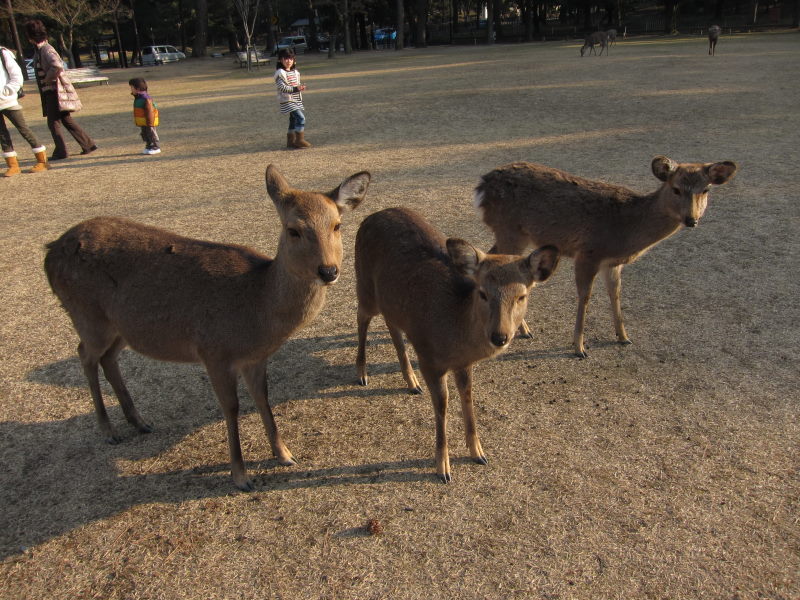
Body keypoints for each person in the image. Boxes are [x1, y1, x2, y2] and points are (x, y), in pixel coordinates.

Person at [24, 19, 97, 160]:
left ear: (30, 36)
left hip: (54, 91)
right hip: (53, 91)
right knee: (66, 119)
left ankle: (61, 151)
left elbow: (57, 66)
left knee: (53, 123)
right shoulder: (41, 49)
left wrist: (47, 79)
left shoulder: (46, 49)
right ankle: (88, 144)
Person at [0, 45, 47, 176]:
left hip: (8, 100)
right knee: (2, 135)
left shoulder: (3, 53)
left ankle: (42, 161)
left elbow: (17, 75)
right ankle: (12, 165)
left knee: (23, 129)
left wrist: (6, 91)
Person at [274, 48, 311, 149]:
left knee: (293, 120)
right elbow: (282, 87)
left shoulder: (295, 72)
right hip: (287, 100)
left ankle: (291, 142)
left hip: (296, 99)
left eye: (290, 58)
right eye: (286, 58)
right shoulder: (280, 73)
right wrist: (296, 88)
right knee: (301, 118)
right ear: (280, 60)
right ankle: (299, 140)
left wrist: (300, 88)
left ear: (294, 60)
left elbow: (296, 85)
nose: (288, 61)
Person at [129, 77, 160, 155]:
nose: (131, 90)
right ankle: (149, 145)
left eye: (132, 87)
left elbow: (150, 111)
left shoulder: (145, 98)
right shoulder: (138, 98)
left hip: (149, 121)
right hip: (143, 121)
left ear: (138, 88)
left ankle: (155, 146)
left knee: (151, 133)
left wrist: (150, 122)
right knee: (144, 133)